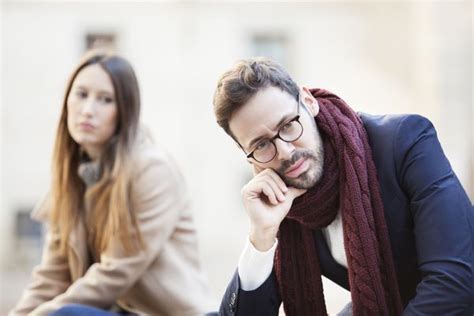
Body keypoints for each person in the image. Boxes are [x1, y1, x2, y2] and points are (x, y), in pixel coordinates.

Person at [212, 57, 474, 315]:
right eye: (261, 145)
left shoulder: (403, 141)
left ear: (308, 102)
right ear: (244, 150)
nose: (285, 152)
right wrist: (262, 236)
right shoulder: (282, 200)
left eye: (288, 125)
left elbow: (455, 280)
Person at [9, 50, 213, 316]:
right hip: (116, 313)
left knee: (65, 315)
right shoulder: (71, 180)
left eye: (105, 100)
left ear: (125, 111)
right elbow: (51, 278)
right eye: (81, 94)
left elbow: (116, 271)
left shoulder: (153, 170)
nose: (88, 110)